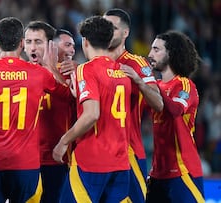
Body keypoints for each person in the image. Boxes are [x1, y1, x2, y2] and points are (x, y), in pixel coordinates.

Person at [0, 17, 65, 203]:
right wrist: (53, 67)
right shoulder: (39, 74)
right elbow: (67, 95)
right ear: (21, 43)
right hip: (26, 165)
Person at [53, 15, 132, 202]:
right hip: (120, 162)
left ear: (85, 41)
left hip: (91, 162)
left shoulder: (86, 69)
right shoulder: (122, 72)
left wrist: (63, 142)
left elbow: (92, 114)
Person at [103, 8, 164, 202]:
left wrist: (138, 80)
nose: (107, 31)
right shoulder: (94, 63)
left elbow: (159, 103)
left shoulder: (137, 63)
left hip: (129, 152)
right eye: (104, 27)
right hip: (99, 154)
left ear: (125, 33)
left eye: (112, 27)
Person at [146, 30, 204, 202]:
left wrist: (154, 88)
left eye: (156, 50)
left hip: (183, 171)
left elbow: (176, 110)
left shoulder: (185, 85)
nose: (150, 54)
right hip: (157, 174)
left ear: (170, 54)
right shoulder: (154, 86)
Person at [25, 24, 77, 203]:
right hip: (24, 159)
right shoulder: (19, 73)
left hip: (56, 158)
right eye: (29, 42)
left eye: (38, 42)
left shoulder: (69, 73)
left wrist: (50, 68)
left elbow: (74, 100)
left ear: (50, 46)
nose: (32, 47)